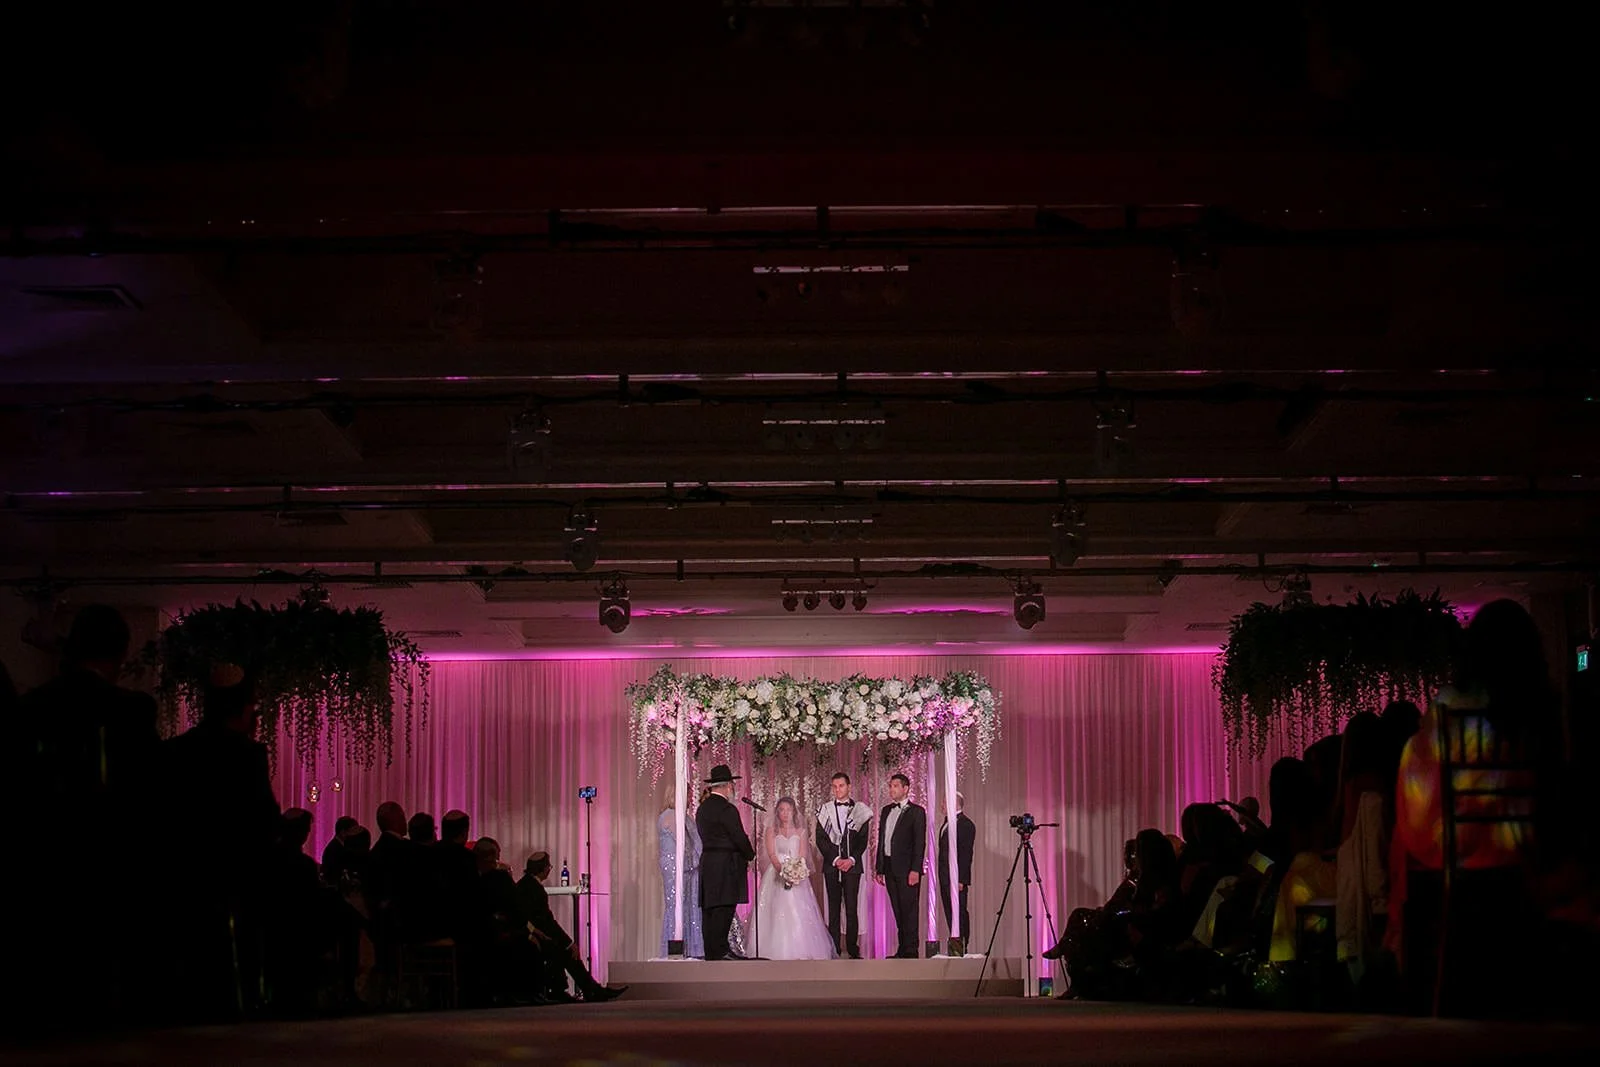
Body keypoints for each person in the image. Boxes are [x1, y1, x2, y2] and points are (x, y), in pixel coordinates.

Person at [517, 851, 626, 1001]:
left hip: (534, 934)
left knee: (564, 950)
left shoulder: (525, 884)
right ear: (543, 868)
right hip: (531, 937)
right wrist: (569, 943)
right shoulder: (534, 888)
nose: (549, 869)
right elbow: (548, 922)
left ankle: (588, 989)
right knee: (568, 952)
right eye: (549, 866)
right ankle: (586, 990)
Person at [756, 796, 836, 960]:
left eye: (788, 810)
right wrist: (782, 871)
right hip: (776, 872)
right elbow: (772, 853)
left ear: (793, 811)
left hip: (797, 871)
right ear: (777, 812)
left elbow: (802, 855)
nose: (785, 813)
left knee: (798, 909)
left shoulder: (801, 832)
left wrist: (795, 871)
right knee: (775, 908)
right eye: (782, 810)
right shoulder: (771, 830)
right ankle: (774, 948)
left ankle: (800, 947)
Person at [695, 763, 755, 961]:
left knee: (710, 910)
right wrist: (750, 855)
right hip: (726, 864)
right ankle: (720, 950)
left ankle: (711, 951)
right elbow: (738, 836)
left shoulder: (702, 809)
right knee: (724, 908)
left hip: (708, 862)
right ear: (728, 786)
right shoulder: (727, 809)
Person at [816, 770, 872, 959]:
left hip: (852, 867)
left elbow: (863, 840)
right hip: (832, 866)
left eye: (841, 786)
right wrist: (836, 860)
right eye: (835, 787)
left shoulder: (860, 810)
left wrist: (851, 860)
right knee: (833, 909)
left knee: (851, 908)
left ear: (849, 787)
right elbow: (821, 839)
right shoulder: (825, 811)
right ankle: (834, 948)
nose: (838, 790)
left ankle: (852, 947)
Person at [875, 772, 927, 958]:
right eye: (890, 786)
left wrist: (915, 869)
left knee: (909, 910)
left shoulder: (917, 812)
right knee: (897, 910)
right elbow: (882, 840)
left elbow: (919, 843)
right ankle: (902, 949)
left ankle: (911, 950)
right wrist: (879, 868)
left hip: (907, 870)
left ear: (906, 789)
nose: (892, 789)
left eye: (895, 786)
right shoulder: (886, 811)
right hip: (889, 867)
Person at [657, 779, 705, 958]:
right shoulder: (671, 816)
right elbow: (683, 843)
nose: (690, 798)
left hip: (685, 866)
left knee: (686, 905)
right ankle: (675, 949)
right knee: (676, 905)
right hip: (676, 866)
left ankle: (688, 948)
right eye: (688, 794)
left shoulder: (681, 817)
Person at [937, 792, 976, 953]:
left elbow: (966, 854)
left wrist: (961, 880)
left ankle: (962, 946)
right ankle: (955, 945)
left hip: (956, 878)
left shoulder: (965, 824)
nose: (941, 805)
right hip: (945, 877)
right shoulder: (947, 823)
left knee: (959, 912)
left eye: (944, 802)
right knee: (950, 911)